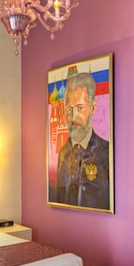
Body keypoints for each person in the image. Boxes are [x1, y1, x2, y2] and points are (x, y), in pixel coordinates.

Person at [54, 72, 110, 210]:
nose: (74, 117)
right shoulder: (63, 153)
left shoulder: (106, 152)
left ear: (92, 108)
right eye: (69, 109)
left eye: (80, 108)